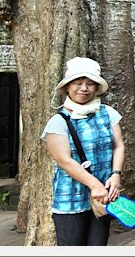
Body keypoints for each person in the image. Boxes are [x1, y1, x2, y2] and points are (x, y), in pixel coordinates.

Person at [41, 57, 125, 245]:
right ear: (68, 87)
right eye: (78, 83)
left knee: (98, 245)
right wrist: (95, 185)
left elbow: (118, 145)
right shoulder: (59, 121)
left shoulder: (108, 113)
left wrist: (116, 175)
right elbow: (65, 161)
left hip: (102, 196)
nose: (84, 88)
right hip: (71, 197)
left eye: (90, 84)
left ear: (97, 88)